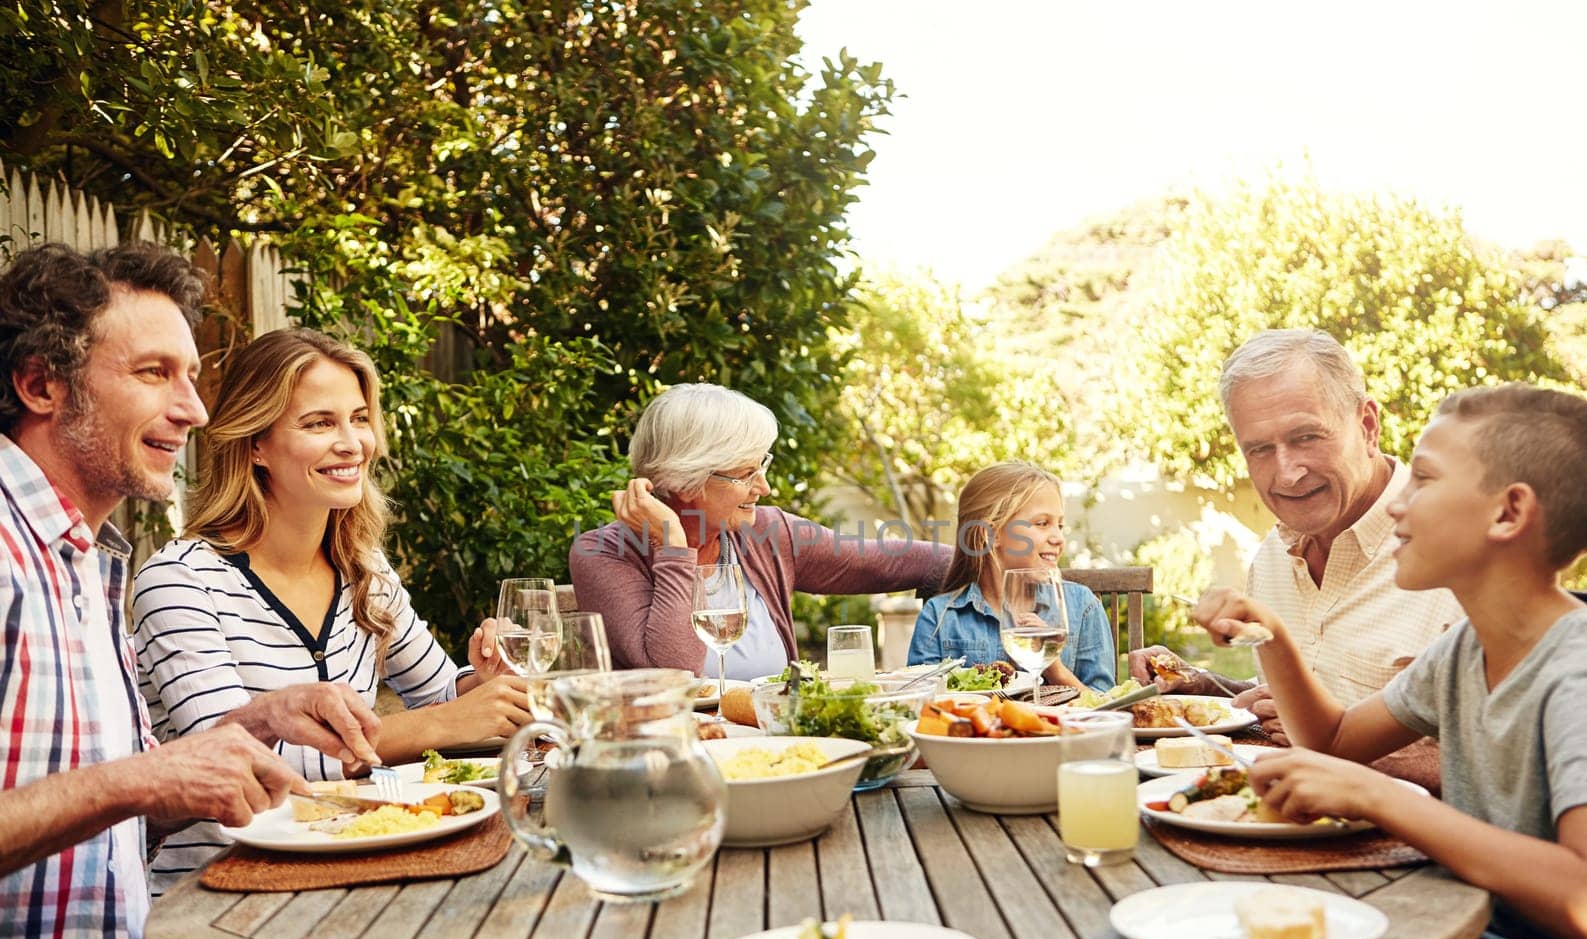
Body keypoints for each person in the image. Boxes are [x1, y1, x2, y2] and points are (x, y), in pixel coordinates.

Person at [0, 243, 381, 939]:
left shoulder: (84, 560)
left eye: (192, 374)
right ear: (41, 385)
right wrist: (143, 777)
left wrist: (252, 724)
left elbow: (115, 812)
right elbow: (122, 789)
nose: (196, 410)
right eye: (154, 373)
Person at [1195, 384, 1587, 939]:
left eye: (1424, 478)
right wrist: (1272, 635)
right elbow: (1332, 741)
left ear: (1509, 512)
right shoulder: (1464, 650)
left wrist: (1384, 797)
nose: (1400, 503)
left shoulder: (1581, 669)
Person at [133, 327, 532, 894]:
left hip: (359, 868)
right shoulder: (180, 582)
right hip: (214, 894)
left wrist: (484, 683)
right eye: (320, 423)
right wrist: (441, 723)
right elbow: (228, 767)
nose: (352, 443)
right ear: (255, 444)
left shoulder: (362, 567)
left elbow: (442, 693)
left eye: (359, 418)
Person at [1130, 329, 1461, 789]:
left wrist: (1332, 747)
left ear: (1367, 425)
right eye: (1260, 449)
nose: (1286, 471)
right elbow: (1280, 706)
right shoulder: (1271, 556)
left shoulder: (1461, 551)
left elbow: (1515, 771)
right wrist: (1202, 684)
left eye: (1307, 437)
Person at [570, 383, 951, 679]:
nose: (763, 487)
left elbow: (892, 562)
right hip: (674, 764)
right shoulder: (604, 554)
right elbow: (675, 674)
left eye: (761, 466)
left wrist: (988, 555)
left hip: (777, 753)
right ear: (687, 481)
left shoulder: (768, 533)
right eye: (745, 474)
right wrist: (674, 543)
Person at [906, 462, 1116, 692]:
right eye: (1042, 523)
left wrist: (1053, 668)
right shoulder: (941, 617)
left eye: (1060, 525)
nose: (1058, 538)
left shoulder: (1082, 606)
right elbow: (920, 702)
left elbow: (1106, 706)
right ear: (990, 534)